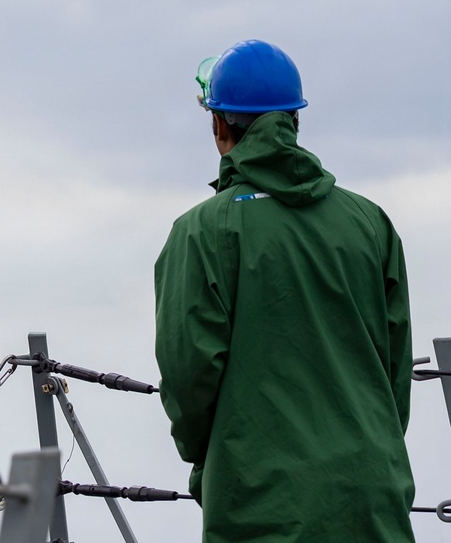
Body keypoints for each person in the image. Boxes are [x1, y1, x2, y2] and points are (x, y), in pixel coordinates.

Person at [154, 38, 415, 543]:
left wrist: (212, 463)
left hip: (262, 503)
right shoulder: (370, 222)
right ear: (296, 121)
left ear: (219, 125)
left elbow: (189, 379)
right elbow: (395, 372)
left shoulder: (202, 231)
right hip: (373, 496)